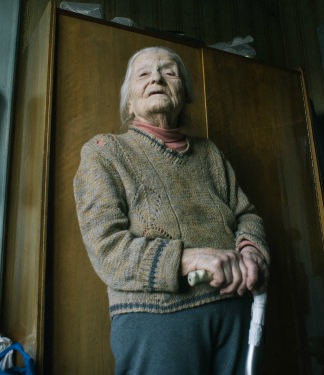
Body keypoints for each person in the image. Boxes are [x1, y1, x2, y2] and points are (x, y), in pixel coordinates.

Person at [73, 46, 270, 374]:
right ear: (130, 101)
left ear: (186, 93)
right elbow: (106, 248)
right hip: (157, 320)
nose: (157, 79)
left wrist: (252, 251)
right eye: (144, 73)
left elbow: (246, 213)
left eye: (169, 72)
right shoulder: (105, 152)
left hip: (236, 310)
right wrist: (189, 258)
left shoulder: (209, 153)